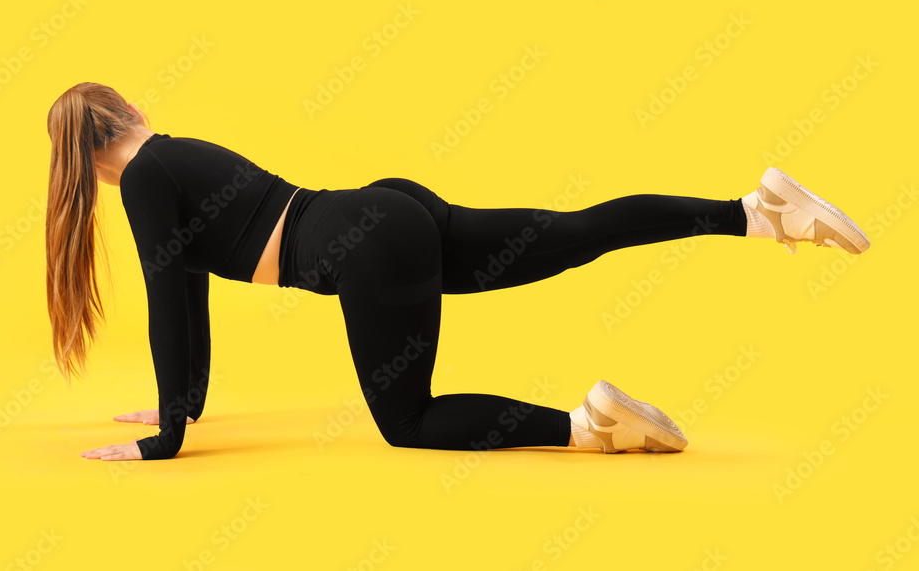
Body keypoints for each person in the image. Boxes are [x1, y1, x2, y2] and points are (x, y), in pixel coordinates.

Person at [44, 82, 871, 461]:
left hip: (359, 247)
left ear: (89, 159)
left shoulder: (147, 176)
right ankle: (756, 212)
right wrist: (181, 403)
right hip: (385, 208)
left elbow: (167, 301)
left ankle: (589, 426)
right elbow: (187, 289)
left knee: (406, 422)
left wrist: (166, 443)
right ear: (133, 112)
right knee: (571, 234)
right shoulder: (175, 154)